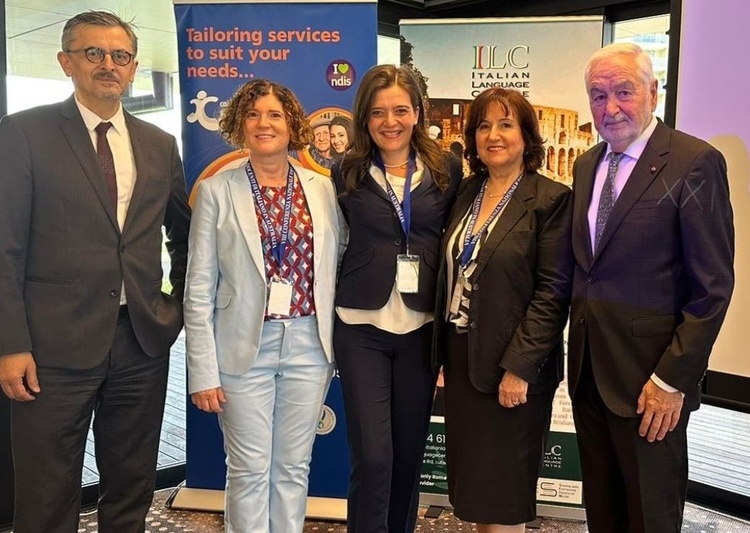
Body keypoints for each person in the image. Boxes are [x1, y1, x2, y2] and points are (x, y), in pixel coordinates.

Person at [0, 11, 191, 533]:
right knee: (46, 491)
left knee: (132, 483)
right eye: (93, 53)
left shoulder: (159, 144)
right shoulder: (24, 133)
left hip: (141, 343)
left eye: (120, 55)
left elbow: (184, 235)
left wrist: (171, 310)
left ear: (133, 68)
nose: (108, 64)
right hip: (50, 348)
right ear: (67, 62)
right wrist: (11, 344)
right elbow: (6, 247)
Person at [568, 42, 734, 532]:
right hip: (589, 374)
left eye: (624, 91)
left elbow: (713, 288)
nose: (610, 107)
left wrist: (672, 380)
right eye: (598, 95)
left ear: (653, 92)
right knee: (603, 514)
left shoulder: (694, 162)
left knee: (649, 518)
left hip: (651, 384)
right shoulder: (586, 165)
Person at [184, 79, 341, 533]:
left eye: (274, 114)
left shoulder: (323, 189)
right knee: (249, 469)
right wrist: (203, 371)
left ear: (292, 124)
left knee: (293, 468)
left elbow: (337, 264)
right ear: (239, 124)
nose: (263, 123)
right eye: (253, 114)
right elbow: (198, 289)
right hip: (242, 349)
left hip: (309, 345)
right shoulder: (216, 190)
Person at [434, 88, 572, 532]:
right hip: (464, 363)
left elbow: (552, 293)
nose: (493, 135)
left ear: (527, 136)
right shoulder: (467, 192)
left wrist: (519, 368)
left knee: (506, 500)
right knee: (476, 497)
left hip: (512, 369)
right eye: (484, 126)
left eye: (506, 124)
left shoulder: (550, 199)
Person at [332, 64, 462, 533]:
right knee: (373, 455)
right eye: (378, 112)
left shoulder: (446, 167)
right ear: (364, 117)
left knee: (408, 453)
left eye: (400, 110)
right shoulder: (345, 169)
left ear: (417, 113)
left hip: (421, 327)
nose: (390, 121)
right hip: (360, 325)